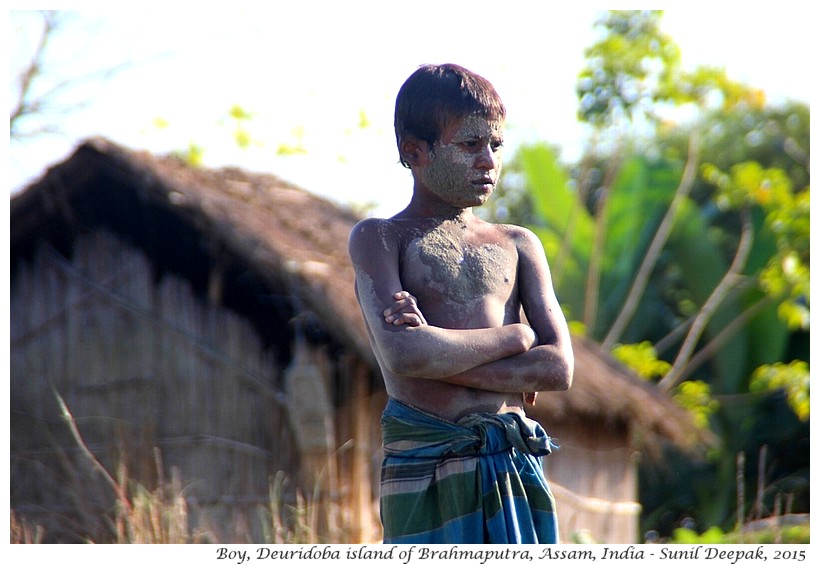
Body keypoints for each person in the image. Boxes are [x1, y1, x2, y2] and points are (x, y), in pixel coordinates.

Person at [348, 63, 574, 544]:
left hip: (510, 464)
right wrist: (515, 339)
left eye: (495, 145)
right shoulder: (381, 239)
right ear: (415, 151)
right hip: (426, 465)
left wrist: (436, 355)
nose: (489, 161)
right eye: (470, 144)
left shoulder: (519, 244)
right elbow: (406, 355)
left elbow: (558, 368)